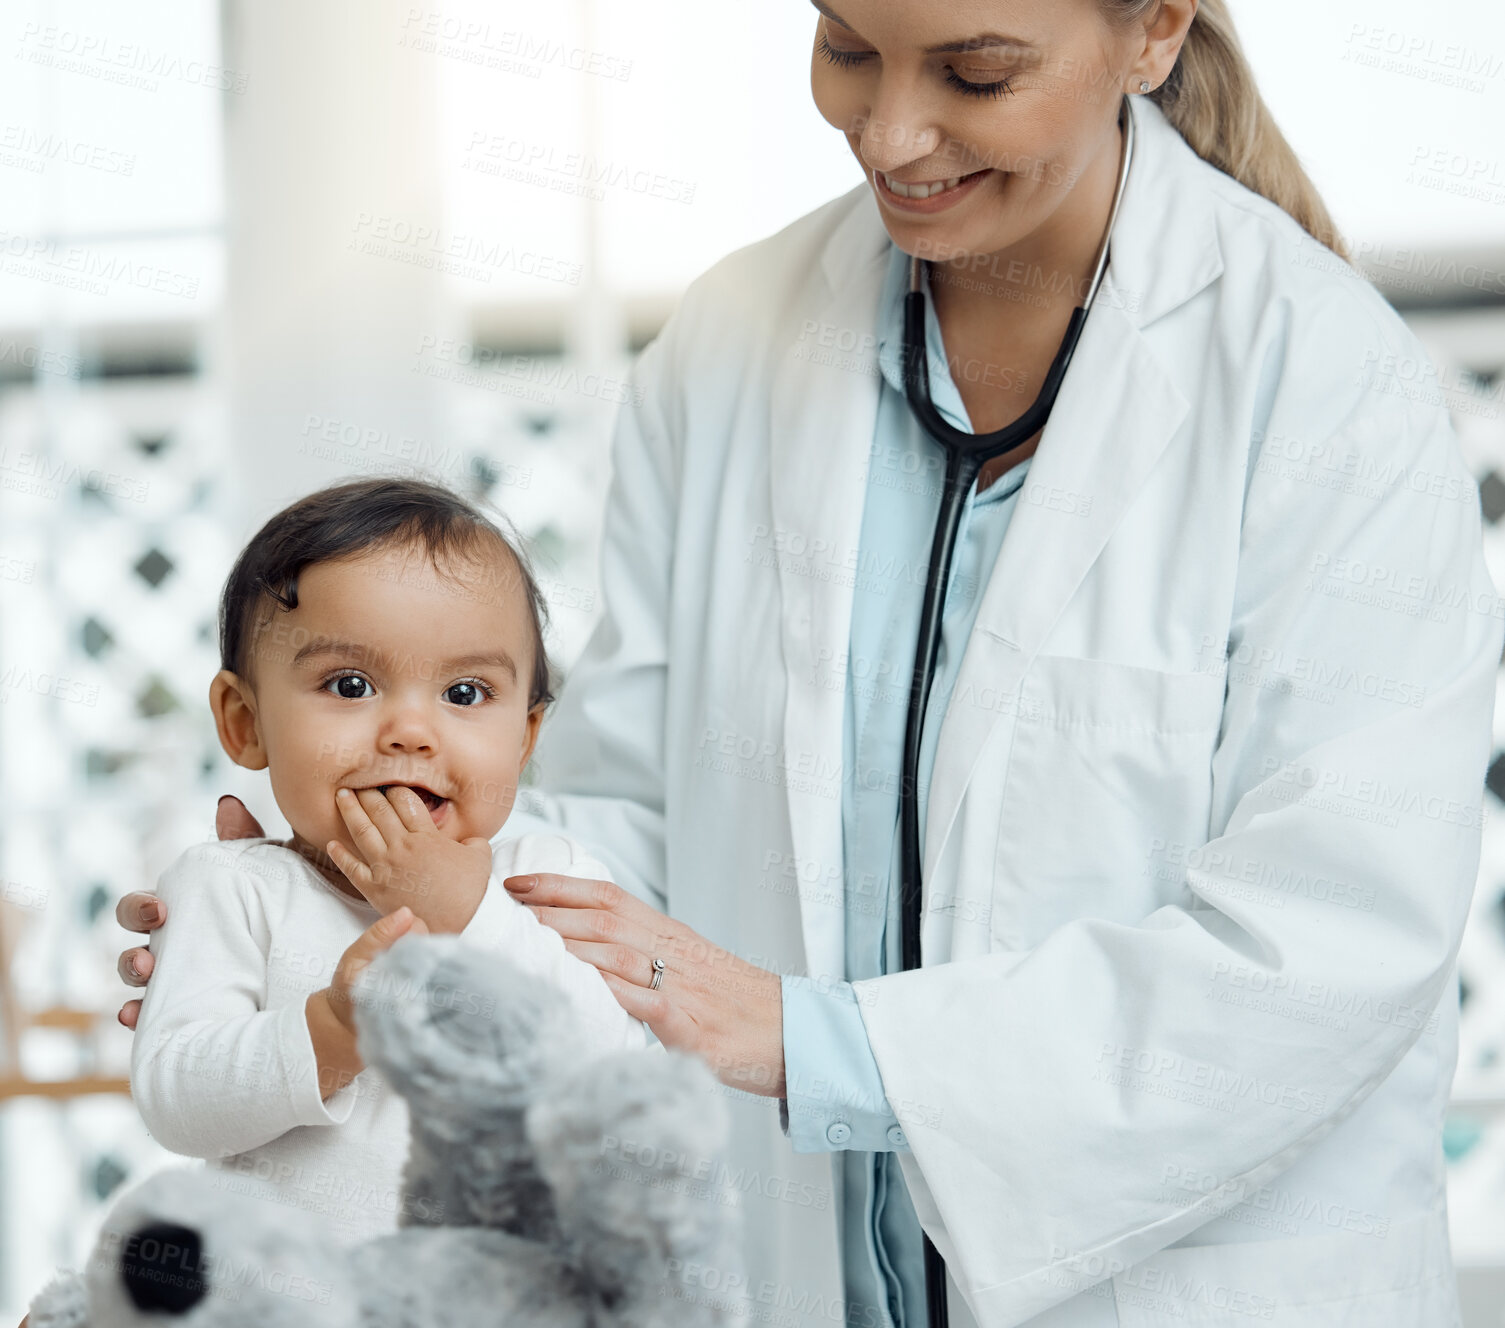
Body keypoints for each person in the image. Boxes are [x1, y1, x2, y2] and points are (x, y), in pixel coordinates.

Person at [119, 1, 1499, 1323]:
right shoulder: (732, 345)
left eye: (974, 75)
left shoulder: (1326, 385)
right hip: (782, 1266)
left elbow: (1327, 938)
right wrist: (344, 911)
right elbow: (624, 833)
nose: (891, 134)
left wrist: (819, 1043)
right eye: (846, 48)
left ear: (1152, 31)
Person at [127, 477, 645, 1246]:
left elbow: (614, 1083)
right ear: (245, 723)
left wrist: (469, 915)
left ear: (526, 737)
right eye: (350, 684)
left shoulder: (545, 876)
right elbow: (177, 1098)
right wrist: (331, 1033)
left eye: (465, 692)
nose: (410, 729)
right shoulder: (232, 887)